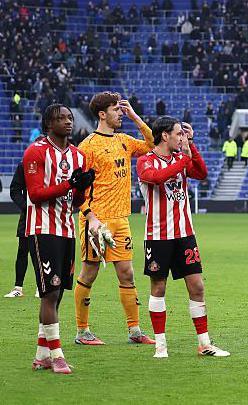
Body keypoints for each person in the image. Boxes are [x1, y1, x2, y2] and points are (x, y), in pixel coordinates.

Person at [137, 117, 229, 358]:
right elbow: (156, 178)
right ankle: (160, 345)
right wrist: (185, 159)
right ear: (165, 135)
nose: (182, 138)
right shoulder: (145, 161)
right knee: (158, 287)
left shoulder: (181, 157)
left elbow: (201, 173)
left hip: (185, 234)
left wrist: (191, 147)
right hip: (158, 235)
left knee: (197, 286)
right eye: (179, 134)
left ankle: (204, 343)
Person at [74, 91, 155, 345]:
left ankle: (134, 330)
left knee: (127, 273)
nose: (120, 113)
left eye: (121, 110)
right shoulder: (87, 147)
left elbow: (151, 145)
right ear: (102, 114)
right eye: (116, 109)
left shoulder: (124, 140)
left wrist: (134, 116)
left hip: (121, 219)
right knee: (90, 272)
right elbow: (78, 189)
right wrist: (91, 216)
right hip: (96, 221)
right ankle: (82, 331)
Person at [24, 104, 95, 374]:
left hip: (67, 229)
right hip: (43, 230)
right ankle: (57, 355)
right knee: (50, 292)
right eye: (60, 118)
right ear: (48, 123)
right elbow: (36, 194)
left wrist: (82, 187)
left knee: (58, 294)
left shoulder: (78, 155)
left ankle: (42, 355)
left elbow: (76, 201)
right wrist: (69, 184)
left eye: (69, 117)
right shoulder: (35, 151)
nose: (67, 122)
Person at [4, 163, 32, 298]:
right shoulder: (25, 165)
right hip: (28, 216)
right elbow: (14, 189)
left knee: (45, 252)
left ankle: (42, 288)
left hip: (48, 214)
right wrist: (25, 207)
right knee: (22, 251)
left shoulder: (53, 162)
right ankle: (18, 288)